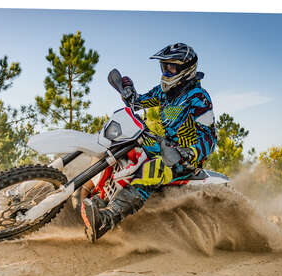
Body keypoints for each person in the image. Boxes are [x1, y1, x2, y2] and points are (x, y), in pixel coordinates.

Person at [82, 42, 217, 242]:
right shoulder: (164, 92)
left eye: (171, 67)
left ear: (186, 69)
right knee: (125, 145)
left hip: (185, 159)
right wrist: (127, 91)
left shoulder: (199, 98)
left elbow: (209, 137)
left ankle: (108, 217)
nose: (166, 71)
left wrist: (190, 152)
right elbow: (137, 102)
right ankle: (93, 192)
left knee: (154, 168)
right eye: (164, 66)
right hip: (165, 145)